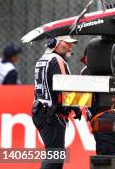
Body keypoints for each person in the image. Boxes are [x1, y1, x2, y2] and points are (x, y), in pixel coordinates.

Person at [32, 36, 81, 169]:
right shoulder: (57, 59)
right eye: (67, 43)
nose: (71, 47)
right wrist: (76, 107)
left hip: (41, 111)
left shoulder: (42, 59)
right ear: (56, 43)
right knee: (54, 156)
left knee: (56, 155)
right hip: (51, 114)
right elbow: (64, 88)